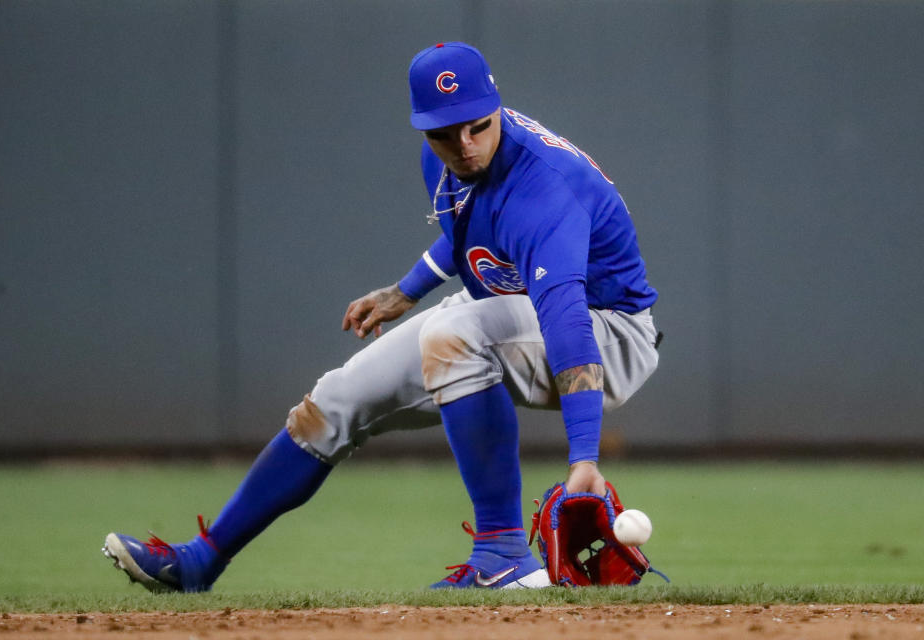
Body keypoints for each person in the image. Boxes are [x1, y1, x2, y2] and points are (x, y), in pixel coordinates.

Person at [102, 41, 660, 592]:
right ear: (423, 128)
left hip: (606, 331)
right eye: (445, 133)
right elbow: (476, 228)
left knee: (453, 334)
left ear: (497, 107)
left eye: (476, 126)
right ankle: (203, 560)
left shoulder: (544, 191)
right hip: (508, 310)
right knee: (337, 398)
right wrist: (407, 290)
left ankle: (502, 553)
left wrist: (584, 457)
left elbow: (564, 318)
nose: (464, 145)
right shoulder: (448, 158)